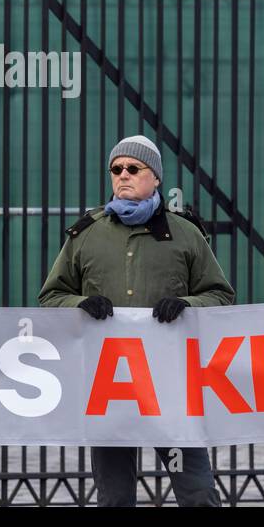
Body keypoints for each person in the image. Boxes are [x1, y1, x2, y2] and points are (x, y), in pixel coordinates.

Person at [39, 134, 235, 507]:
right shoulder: (87, 234)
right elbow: (51, 297)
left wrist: (186, 304)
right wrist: (80, 304)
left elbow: (220, 295)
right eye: (116, 169)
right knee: (114, 498)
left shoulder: (185, 234)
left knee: (197, 492)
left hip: (171, 389)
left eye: (133, 168)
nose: (123, 175)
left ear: (155, 177)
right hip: (110, 389)